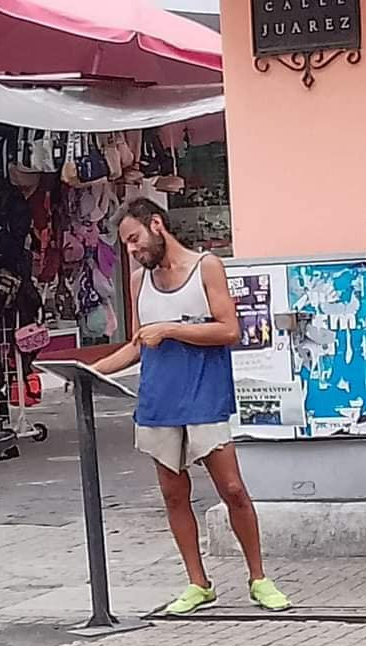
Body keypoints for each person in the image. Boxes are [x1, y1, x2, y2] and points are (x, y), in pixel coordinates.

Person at [93, 197, 290, 615]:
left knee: (232, 488)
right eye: (126, 244)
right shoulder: (138, 281)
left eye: (134, 239)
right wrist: (88, 372)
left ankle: (258, 577)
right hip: (159, 400)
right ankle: (198, 583)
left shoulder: (206, 267)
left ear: (156, 225)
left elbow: (229, 330)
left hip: (204, 396)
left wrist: (171, 330)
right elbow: (138, 344)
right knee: (173, 493)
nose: (132, 249)